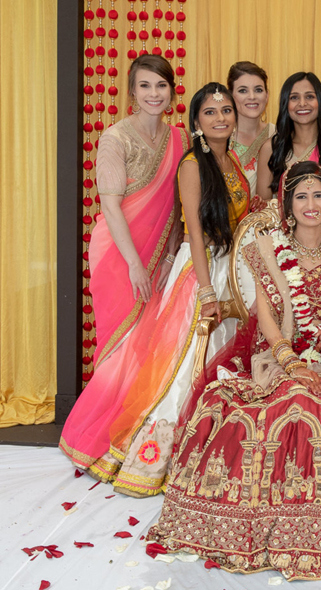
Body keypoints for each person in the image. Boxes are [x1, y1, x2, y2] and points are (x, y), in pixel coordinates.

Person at [148, 162, 321, 579]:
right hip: (278, 358)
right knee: (270, 404)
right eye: (301, 196)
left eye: (319, 196)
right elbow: (270, 322)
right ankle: (262, 523)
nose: (311, 205)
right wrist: (291, 362)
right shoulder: (267, 251)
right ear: (287, 205)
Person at [60, 83, 249, 497]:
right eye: (210, 112)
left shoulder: (231, 159)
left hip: (230, 269)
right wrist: (206, 291)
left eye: (226, 111)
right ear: (196, 121)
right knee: (182, 367)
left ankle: (214, 449)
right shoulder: (193, 165)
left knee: (221, 359)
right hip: (200, 272)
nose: (220, 118)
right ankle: (157, 458)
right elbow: (195, 234)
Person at [88, 54, 187, 367]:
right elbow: (110, 207)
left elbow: (179, 204)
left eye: (161, 85)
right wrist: (134, 264)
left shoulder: (181, 139)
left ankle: (143, 415)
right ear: (132, 91)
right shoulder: (115, 139)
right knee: (121, 342)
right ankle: (111, 412)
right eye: (145, 86)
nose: (153, 93)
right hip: (119, 255)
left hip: (161, 256)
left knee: (152, 343)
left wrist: (171, 256)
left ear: (172, 91)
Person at [256, 72, 321, 207]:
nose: (302, 103)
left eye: (309, 97)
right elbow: (264, 208)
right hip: (283, 226)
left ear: (320, 101)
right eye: (294, 98)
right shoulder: (272, 148)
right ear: (285, 104)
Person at [227, 61, 273, 197]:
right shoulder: (221, 137)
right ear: (230, 95)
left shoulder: (278, 135)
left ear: (267, 95)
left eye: (258, 90)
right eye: (243, 91)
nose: (252, 97)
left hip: (270, 216)